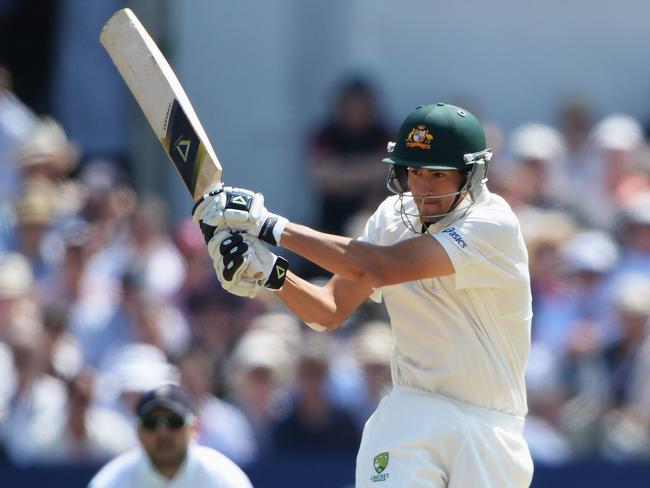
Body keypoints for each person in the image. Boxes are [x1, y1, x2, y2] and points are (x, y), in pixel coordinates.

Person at [193, 102, 534, 486]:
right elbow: (330, 310)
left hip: (490, 427)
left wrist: (269, 226)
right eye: (414, 172)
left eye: (437, 175)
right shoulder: (391, 218)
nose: (422, 188)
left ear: (471, 174)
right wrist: (271, 275)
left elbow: (380, 267)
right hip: (412, 410)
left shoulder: (493, 223)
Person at [88, 383, 253, 488]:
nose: (163, 432)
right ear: (139, 431)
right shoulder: (110, 482)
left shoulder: (223, 478)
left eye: (173, 421)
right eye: (152, 423)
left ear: (193, 428)